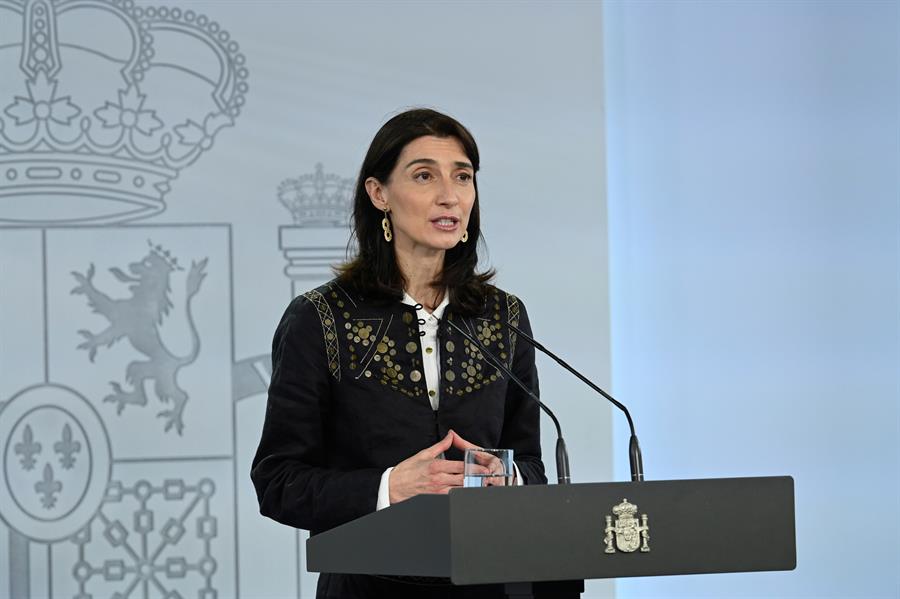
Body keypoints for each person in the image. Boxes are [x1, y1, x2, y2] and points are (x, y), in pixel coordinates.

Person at [251, 108, 546, 598]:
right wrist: (388, 487)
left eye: (463, 176)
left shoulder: (503, 317)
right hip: (368, 586)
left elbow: (533, 463)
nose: (449, 194)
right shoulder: (320, 318)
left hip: (490, 584)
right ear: (378, 194)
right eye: (424, 175)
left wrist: (508, 476)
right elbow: (278, 480)